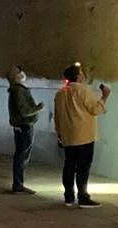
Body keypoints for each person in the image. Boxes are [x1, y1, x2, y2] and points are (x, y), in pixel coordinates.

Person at [53, 63, 110, 208]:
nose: (84, 75)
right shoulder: (83, 91)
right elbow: (94, 109)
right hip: (84, 135)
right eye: (82, 72)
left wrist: (60, 134)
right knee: (83, 167)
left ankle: (68, 196)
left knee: (69, 166)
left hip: (68, 136)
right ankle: (83, 197)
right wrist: (105, 97)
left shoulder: (60, 93)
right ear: (78, 76)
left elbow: (57, 117)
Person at [7, 66, 44, 193]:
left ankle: (18, 184)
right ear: (16, 76)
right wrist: (38, 108)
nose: (22, 73)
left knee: (20, 155)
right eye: (18, 71)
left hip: (20, 127)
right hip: (25, 127)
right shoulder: (19, 91)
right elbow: (24, 111)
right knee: (22, 156)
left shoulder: (15, 90)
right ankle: (18, 185)